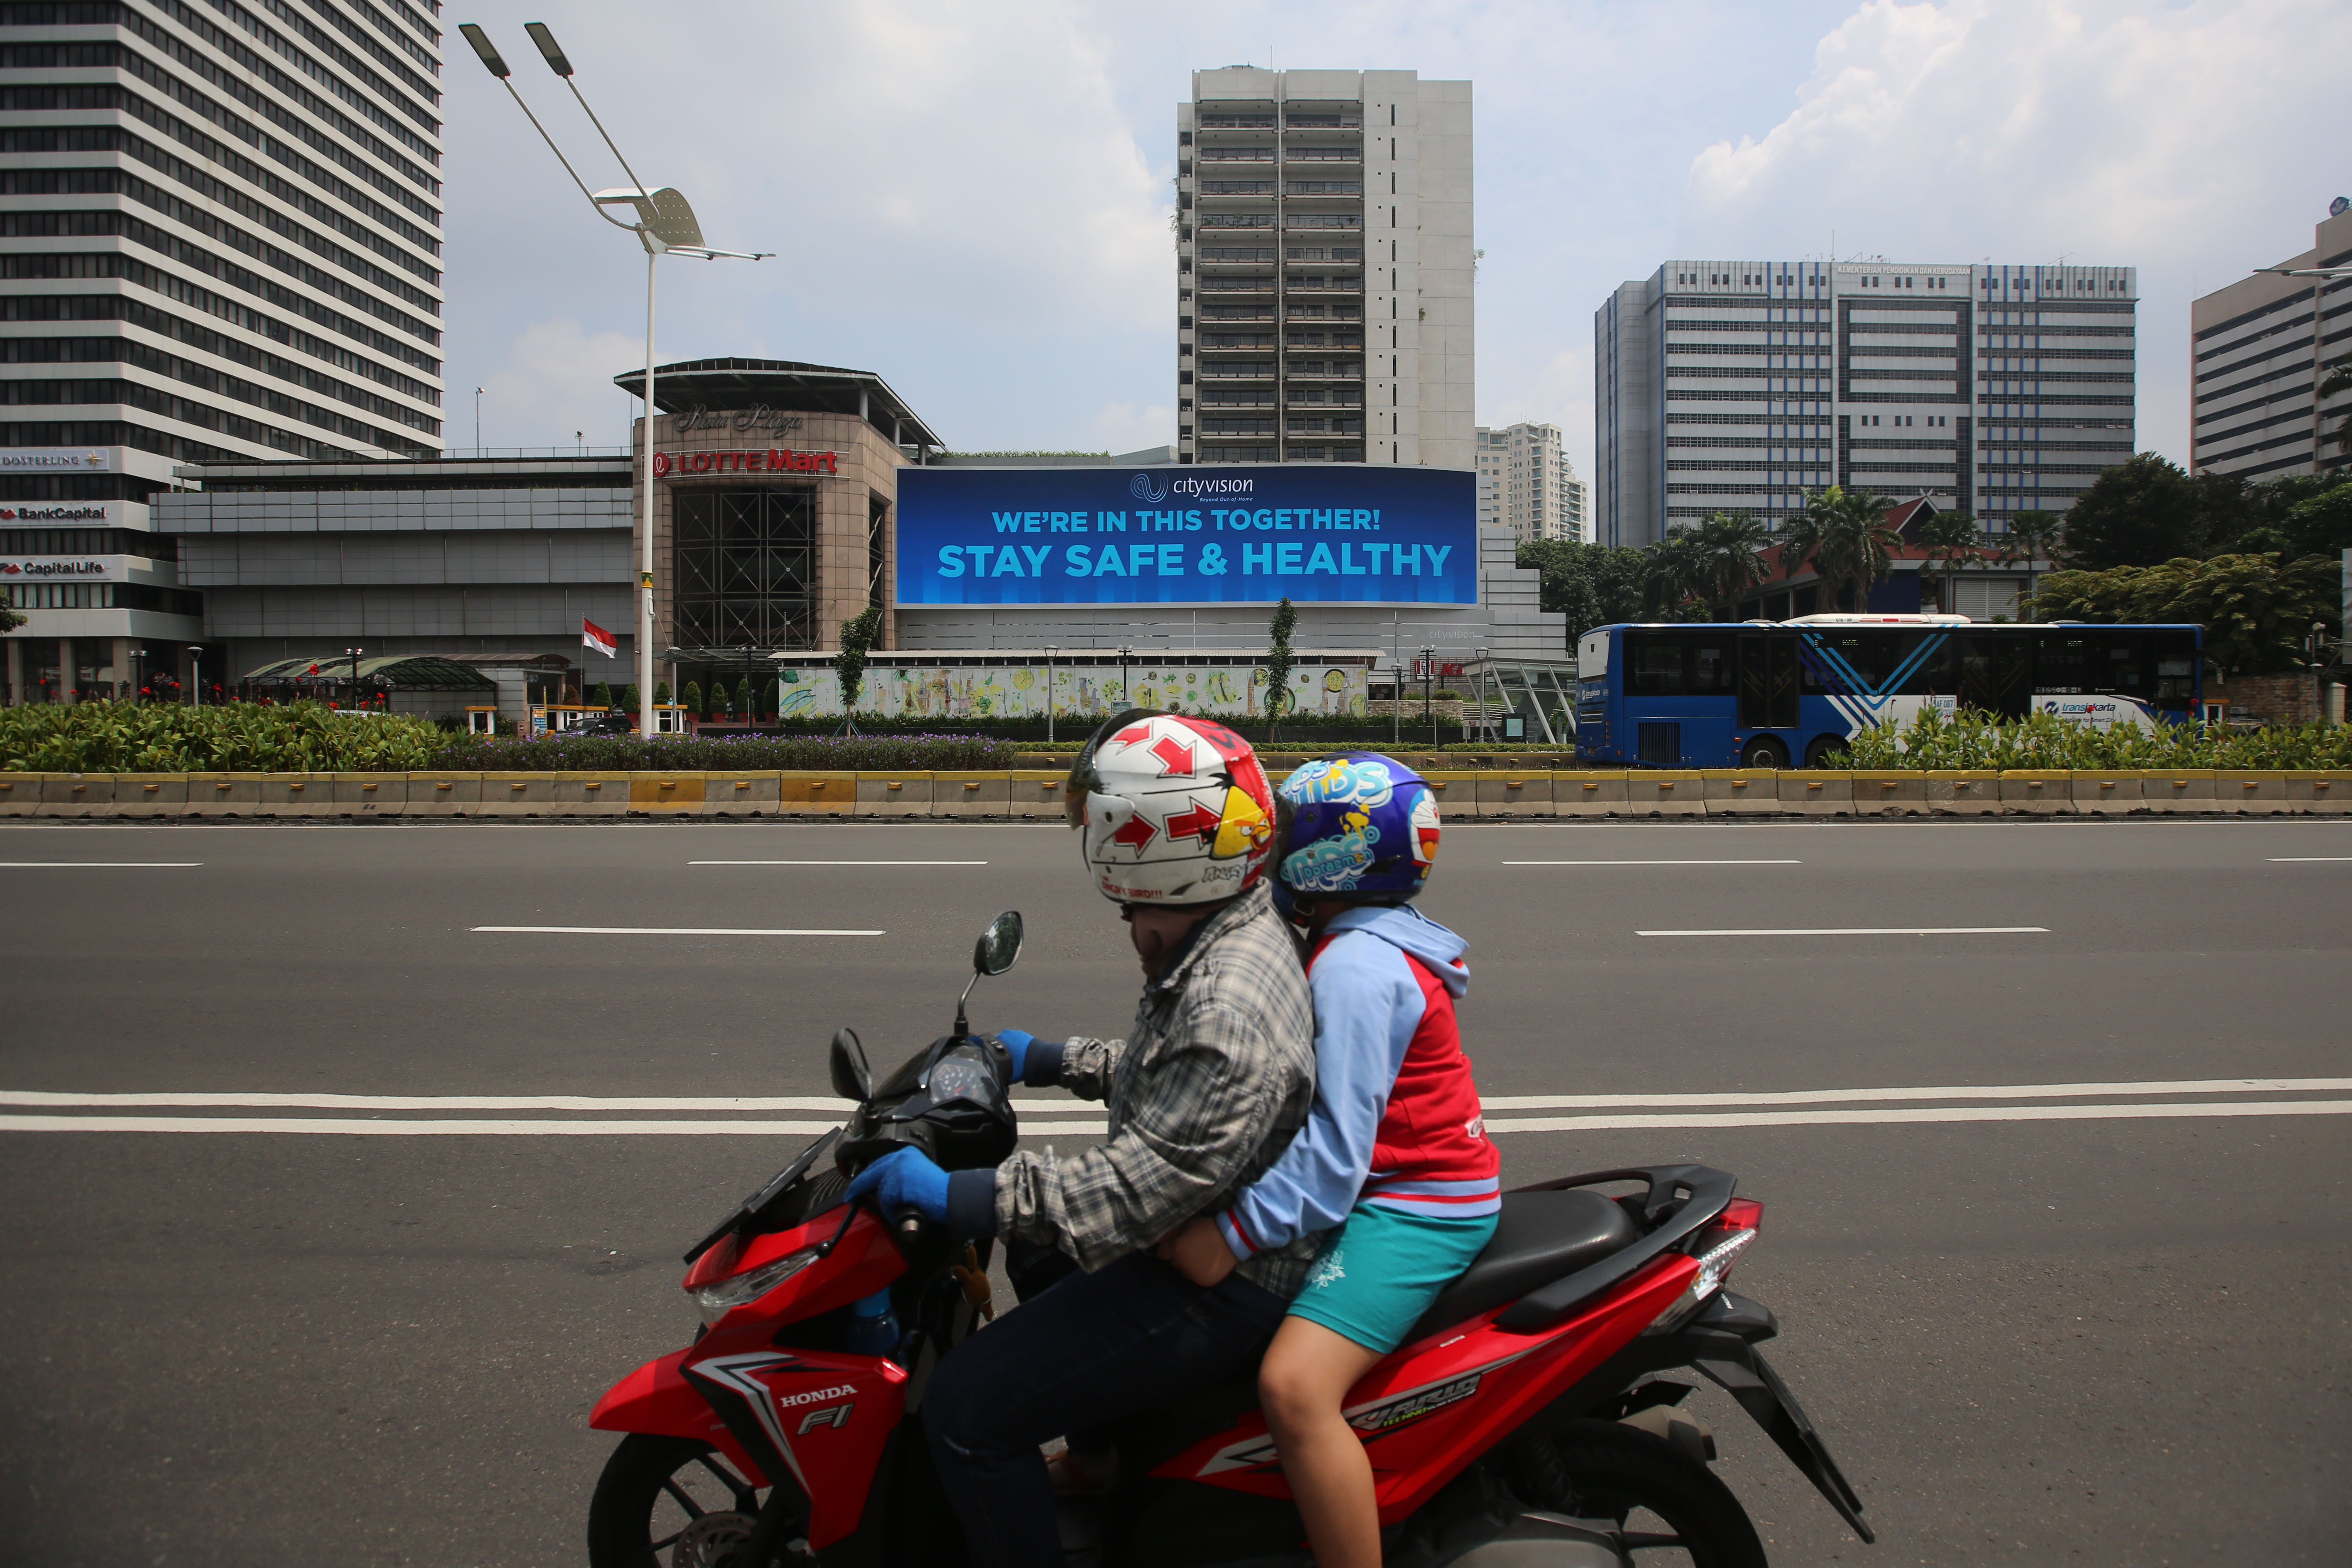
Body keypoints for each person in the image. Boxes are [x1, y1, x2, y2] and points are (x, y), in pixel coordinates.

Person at [845, 709, 1319, 1568]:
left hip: (1226, 1280)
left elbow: (1137, 1189)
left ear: (1153, 838)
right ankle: (1103, 1458)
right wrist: (1054, 1059)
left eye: (1100, 819)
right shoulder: (1223, 925)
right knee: (1034, 1256)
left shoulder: (1227, 996)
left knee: (964, 1409)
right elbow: (1172, 1078)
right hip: (1200, 1227)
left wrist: (954, 1193)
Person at [1159, 753, 1498, 1568]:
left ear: (1331, 852)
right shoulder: (1368, 934)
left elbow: (1335, 1158)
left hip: (1419, 1207)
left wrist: (1229, 1236)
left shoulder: (1354, 966)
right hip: (1410, 1186)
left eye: (1286, 833)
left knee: (1294, 1389)